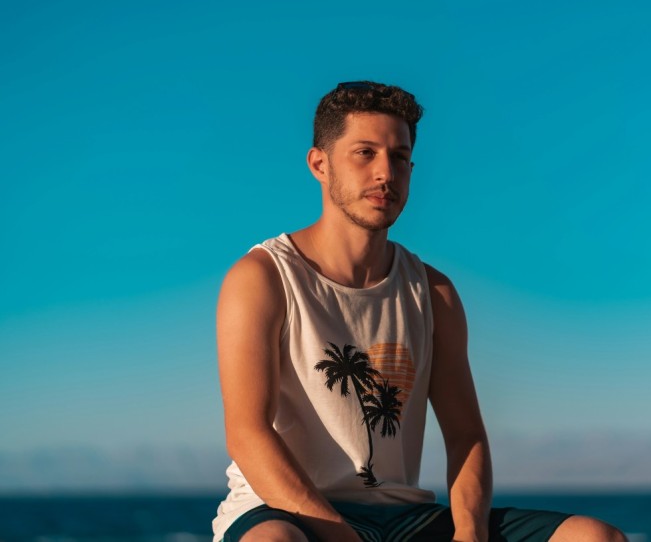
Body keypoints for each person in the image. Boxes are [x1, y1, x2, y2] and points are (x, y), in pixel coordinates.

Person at [212, 81, 626, 542]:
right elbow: (247, 434)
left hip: (401, 517)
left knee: (595, 537)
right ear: (319, 164)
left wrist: (470, 533)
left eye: (400, 157)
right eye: (365, 153)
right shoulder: (264, 277)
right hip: (284, 510)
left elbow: (466, 435)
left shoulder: (433, 291)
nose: (385, 172)